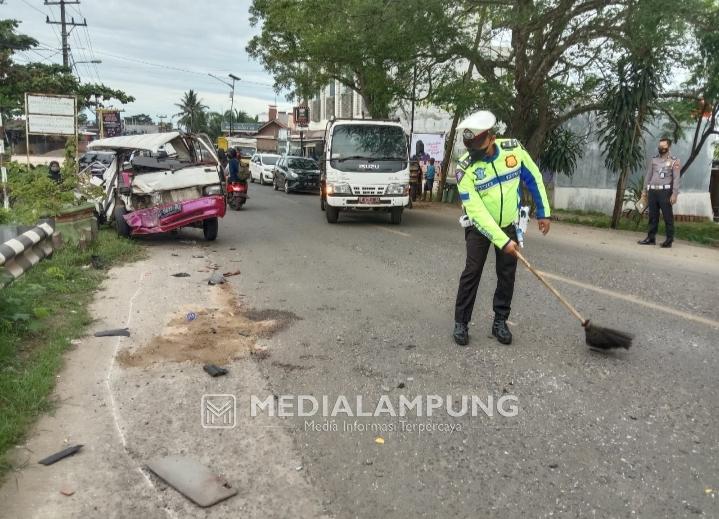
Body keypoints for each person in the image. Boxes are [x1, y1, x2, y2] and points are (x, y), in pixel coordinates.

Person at [452, 110, 551, 347]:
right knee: (472, 271)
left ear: (492, 138)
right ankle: (461, 322)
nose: (473, 154)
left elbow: (533, 176)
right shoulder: (464, 169)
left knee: (507, 274)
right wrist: (503, 241)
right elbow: (476, 211)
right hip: (479, 228)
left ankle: (500, 322)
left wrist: (543, 211)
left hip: (509, 224)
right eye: (470, 149)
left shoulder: (513, 150)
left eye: (478, 148)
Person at [638, 137, 681, 248]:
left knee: (667, 217)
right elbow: (648, 176)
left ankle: (669, 240)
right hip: (652, 191)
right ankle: (651, 238)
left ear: (669, 146)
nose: (661, 148)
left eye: (663, 146)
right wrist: (644, 191)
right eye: (660, 146)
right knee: (653, 216)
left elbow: (676, 179)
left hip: (665, 192)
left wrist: (674, 194)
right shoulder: (654, 160)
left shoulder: (674, 161)